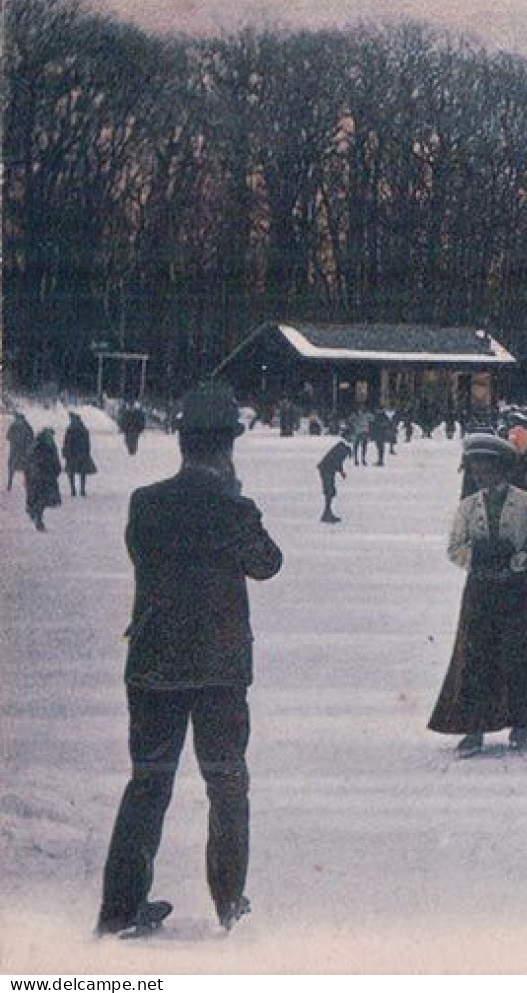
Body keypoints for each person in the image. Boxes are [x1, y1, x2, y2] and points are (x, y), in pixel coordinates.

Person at [97, 382, 282, 938]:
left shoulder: (145, 503)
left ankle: (120, 911)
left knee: (148, 783)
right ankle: (228, 902)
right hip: (219, 670)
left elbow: (140, 553)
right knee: (226, 783)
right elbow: (268, 564)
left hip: (153, 666)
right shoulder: (235, 508)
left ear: (182, 444)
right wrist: (234, 501)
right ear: (227, 446)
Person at [430, 434, 527, 758]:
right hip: (481, 589)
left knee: (523, 653)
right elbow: (454, 548)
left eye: (488, 469)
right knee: (476, 657)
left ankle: (522, 721)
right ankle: (474, 727)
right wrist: (480, 555)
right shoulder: (467, 508)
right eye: (477, 470)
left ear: (503, 470)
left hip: (519, 589)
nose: (482, 476)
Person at [24, 427, 63, 531]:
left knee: (40, 499)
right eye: (49, 435)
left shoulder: (41, 445)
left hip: (41, 477)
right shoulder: (40, 446)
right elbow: (32, 461)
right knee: (41, 499)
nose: (51, 437)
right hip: (41, 477)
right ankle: (37, 518)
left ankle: (35, 514)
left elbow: (55, 460)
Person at [63, 412, 97, 497]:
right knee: (82, 472)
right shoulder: (84, 429)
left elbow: (66, 443)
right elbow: (87, 443)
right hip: (81, 454)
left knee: (71, 473)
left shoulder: (70, 430)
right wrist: (87, 452)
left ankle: (73, 489)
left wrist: (66, 452)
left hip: (72, 454)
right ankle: (82, 490)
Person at [317, 440, 351, 523]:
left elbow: (337, 463)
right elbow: (337, 462)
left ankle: (327, 513)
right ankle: (326, 514)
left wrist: (341, 472)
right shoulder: (342, 451)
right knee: (330, 491)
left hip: (327, 469)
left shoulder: (340, 448)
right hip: (326, 470)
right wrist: (341, 472)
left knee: (331, 492)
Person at [8, 412, 35, 491]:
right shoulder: (27, 427)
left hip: (15, 451)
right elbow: (31, 439)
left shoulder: (13, 426)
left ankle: (9, 484)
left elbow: (8, 436)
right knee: (26, 469)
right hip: (24, 452)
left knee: (12, 468)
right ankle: (27, 485)